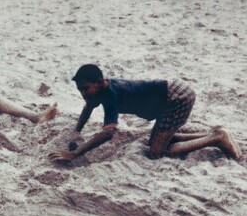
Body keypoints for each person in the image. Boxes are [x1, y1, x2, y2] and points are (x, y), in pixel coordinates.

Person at [49, 64, 242, 162]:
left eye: (85, 89)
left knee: (157, 152)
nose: (83, 93)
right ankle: (212, 135)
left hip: (176, 98)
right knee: (160, 138)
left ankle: (216, 138)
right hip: (169, 96)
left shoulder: (110, 95)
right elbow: (87, 108)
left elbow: (108, 133)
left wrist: (75, 154)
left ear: (100, 82)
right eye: (80, 90)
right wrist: (77, 130)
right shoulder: (99, 90)